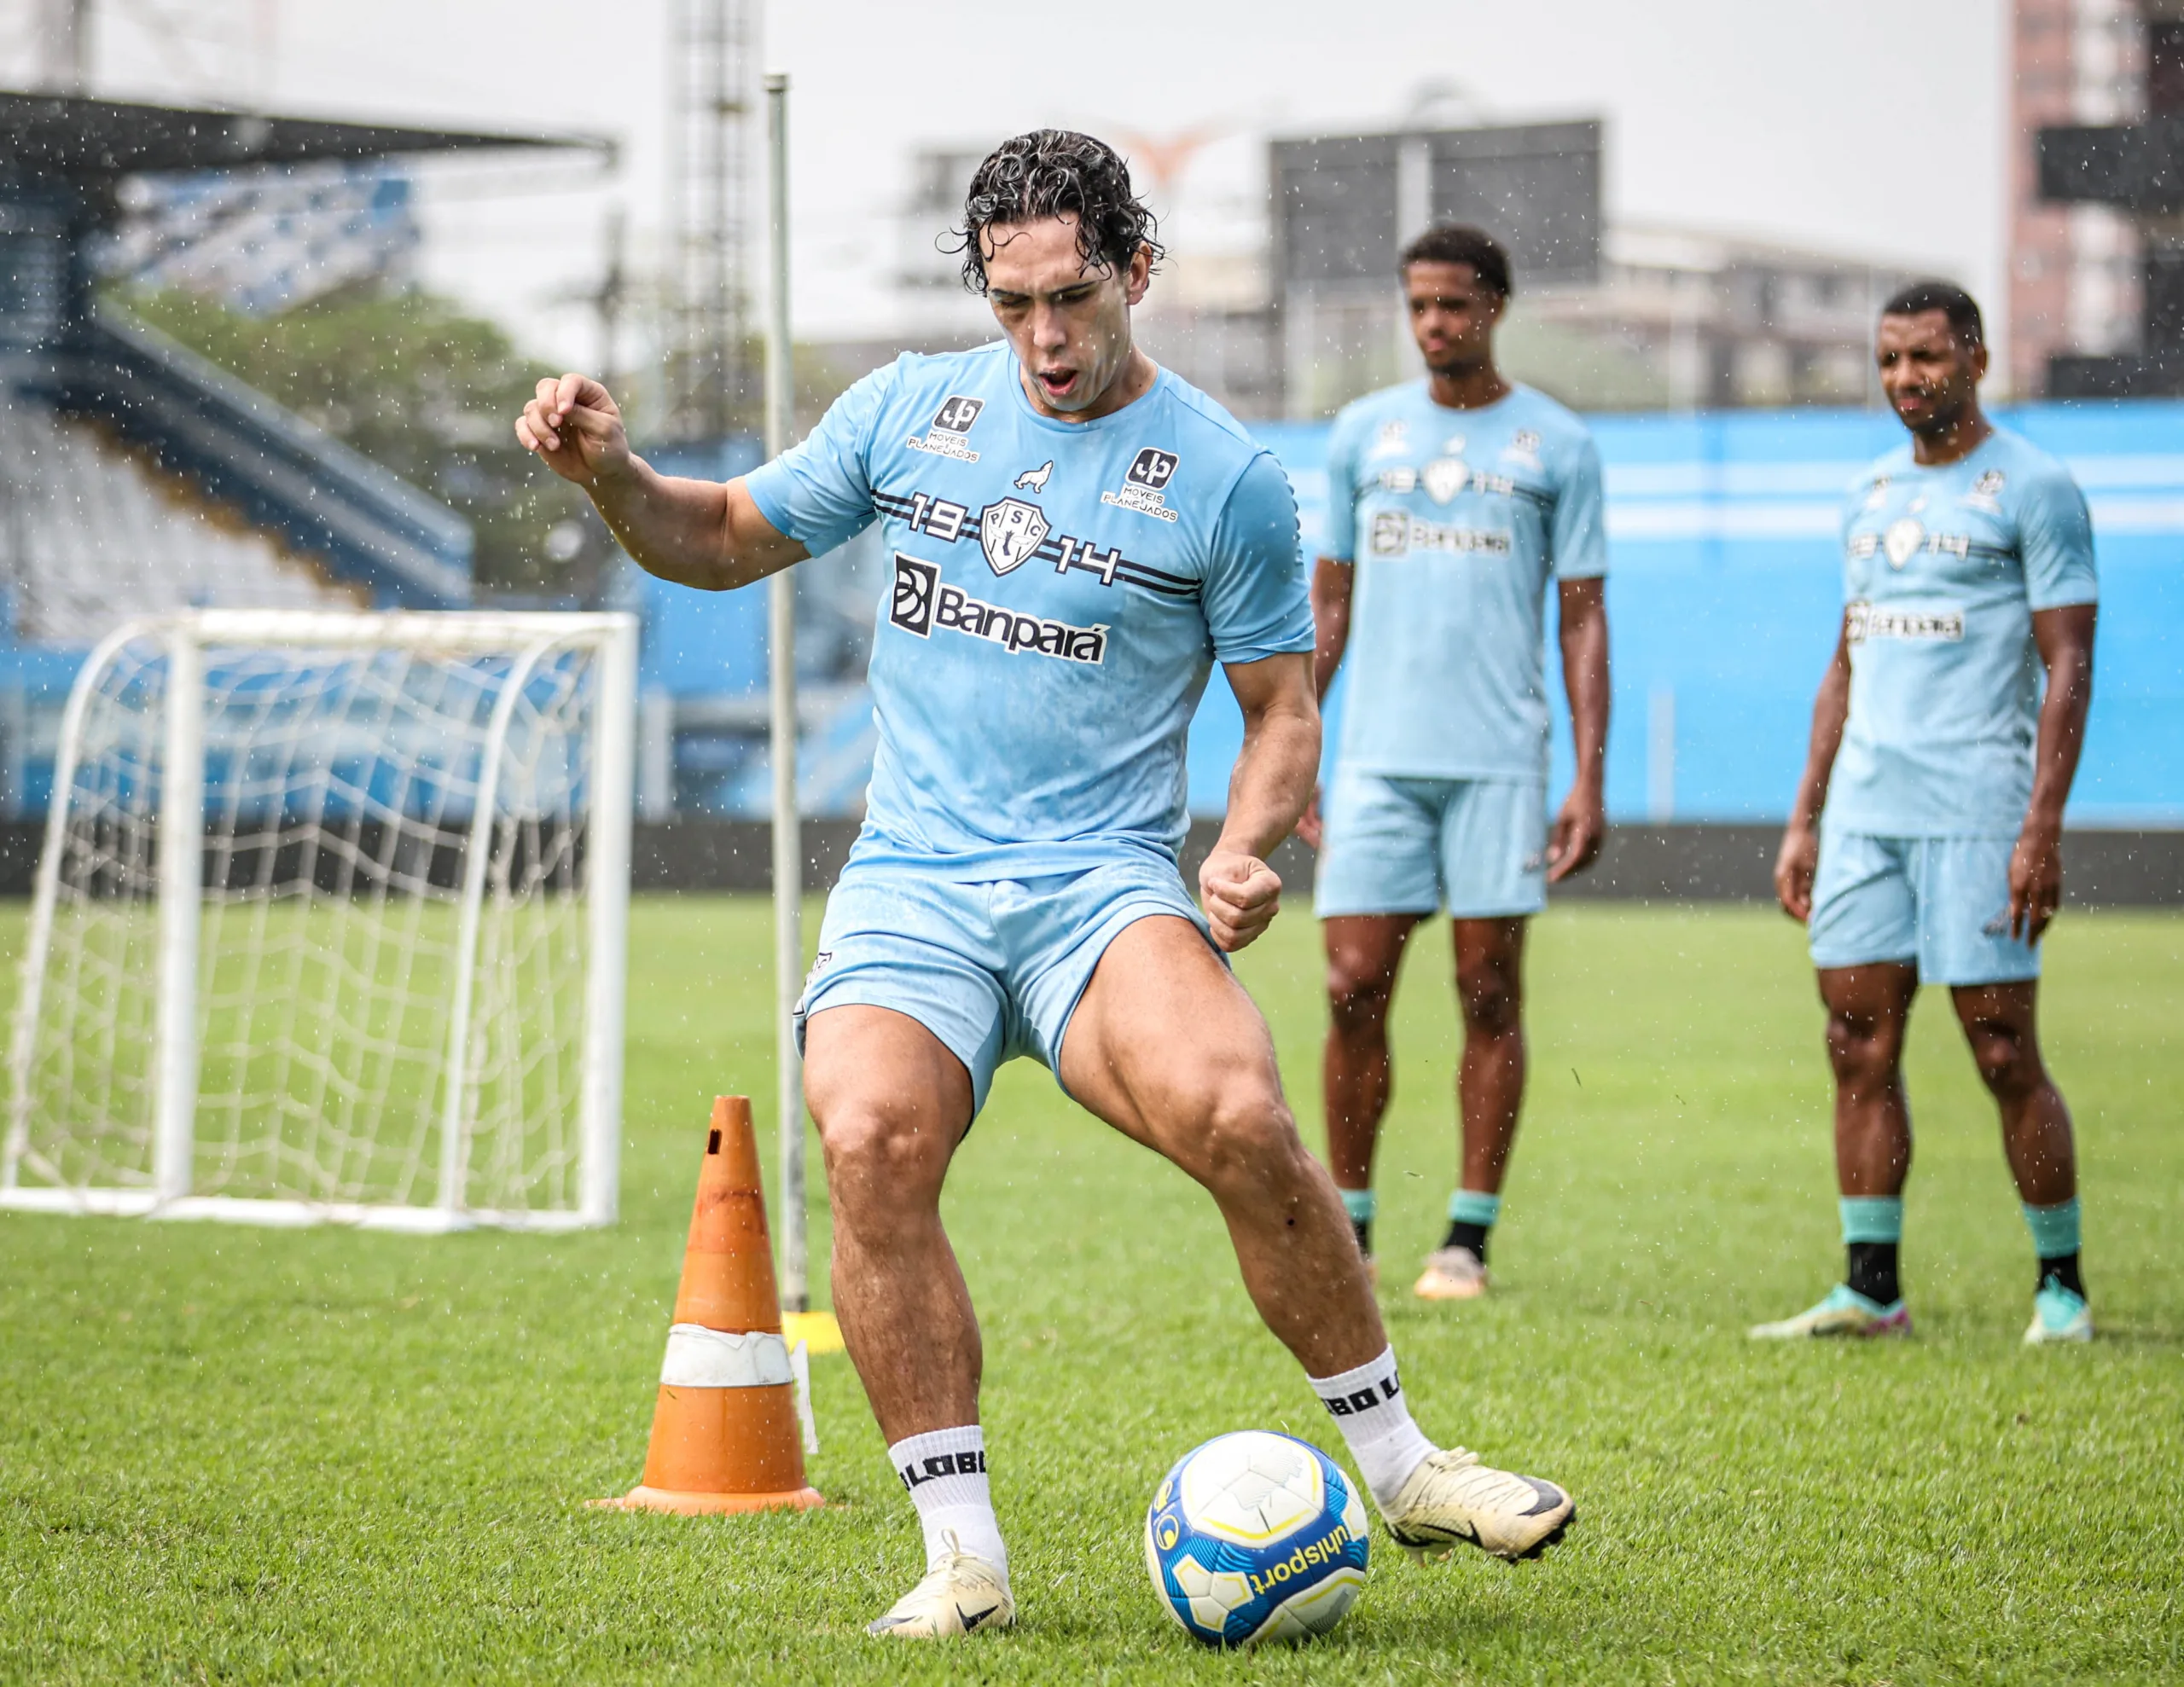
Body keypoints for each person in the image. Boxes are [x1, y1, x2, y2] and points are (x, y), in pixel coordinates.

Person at [517, 131, 1574, 1638]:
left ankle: (1402, 1463)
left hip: (1101, 886)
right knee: (870, 1135)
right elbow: (726, 534)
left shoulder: (1228, 479)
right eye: (1012, 303)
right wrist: (613, 475)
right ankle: (964, 1558)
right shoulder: (907, 408)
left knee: (1239, 1112)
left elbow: (1283, 705)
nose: (1045, 337)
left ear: (1136, 272)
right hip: (916, 883)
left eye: (1072, 296)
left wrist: (1244, 845)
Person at [1755, 280, 2098, 1346]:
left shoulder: (2033, 487)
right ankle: (1869, 1288)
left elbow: (2068, 662)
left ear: (1977, 359)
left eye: (1927, 359)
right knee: (1857, 1043)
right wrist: (1805, 817)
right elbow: (1843, 663)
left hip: (1979, 812)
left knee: (2001, 1050)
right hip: (1864, 817)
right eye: (1891, 359)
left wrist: (2039, 829)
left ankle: (2061, 1288)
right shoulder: (1866, 492)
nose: (1906, 379)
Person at [1300, 224, 1608, 1301]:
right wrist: (1297, 743)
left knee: (1486, 989)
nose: (1435, 323)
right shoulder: (1360, 435)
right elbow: (1327, 604)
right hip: (1378, 761)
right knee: (1351, 987)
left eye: (1455, 304)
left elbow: (1581, 620)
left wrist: (1588, 773)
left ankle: (1465, 1240)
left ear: (1495, 307)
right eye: (1419, 305)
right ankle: (1350, 1224)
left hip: (1497, 760)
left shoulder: (1557, 445)